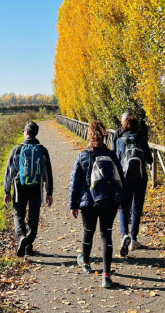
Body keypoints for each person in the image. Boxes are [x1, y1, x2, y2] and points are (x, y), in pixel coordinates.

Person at [69, 120, 124, 288]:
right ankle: (106, 275)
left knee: (89, 231)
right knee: (106, 235)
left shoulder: (83, 156)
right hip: (109, 202)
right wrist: (120, 200)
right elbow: (121, 179)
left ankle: (85, 261)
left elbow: (75, 183)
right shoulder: (112, 156)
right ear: (104, 136)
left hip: (88, 202)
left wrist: (73, 204)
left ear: (89, 135)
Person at [4, 121, 54, 257]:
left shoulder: (17, 149)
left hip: (20, 186)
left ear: (26, 132)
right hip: (36, 187)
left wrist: (7, 191)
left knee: (18, 214)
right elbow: (47, 173)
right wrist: (49, 193)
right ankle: (28, 244)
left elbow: (9, 172)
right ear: (35, 133)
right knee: (33, 216)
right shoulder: (42, 150)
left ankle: (21, 237)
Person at [115, 115, 153, 257]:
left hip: (125, 179)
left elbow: (117, 160)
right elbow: (150, 160)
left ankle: (125, 234)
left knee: (124, 208)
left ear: (124, 126)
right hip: (140, 178)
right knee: (136, 208)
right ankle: (134, 239)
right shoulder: (142, 140)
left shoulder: (120, 141)